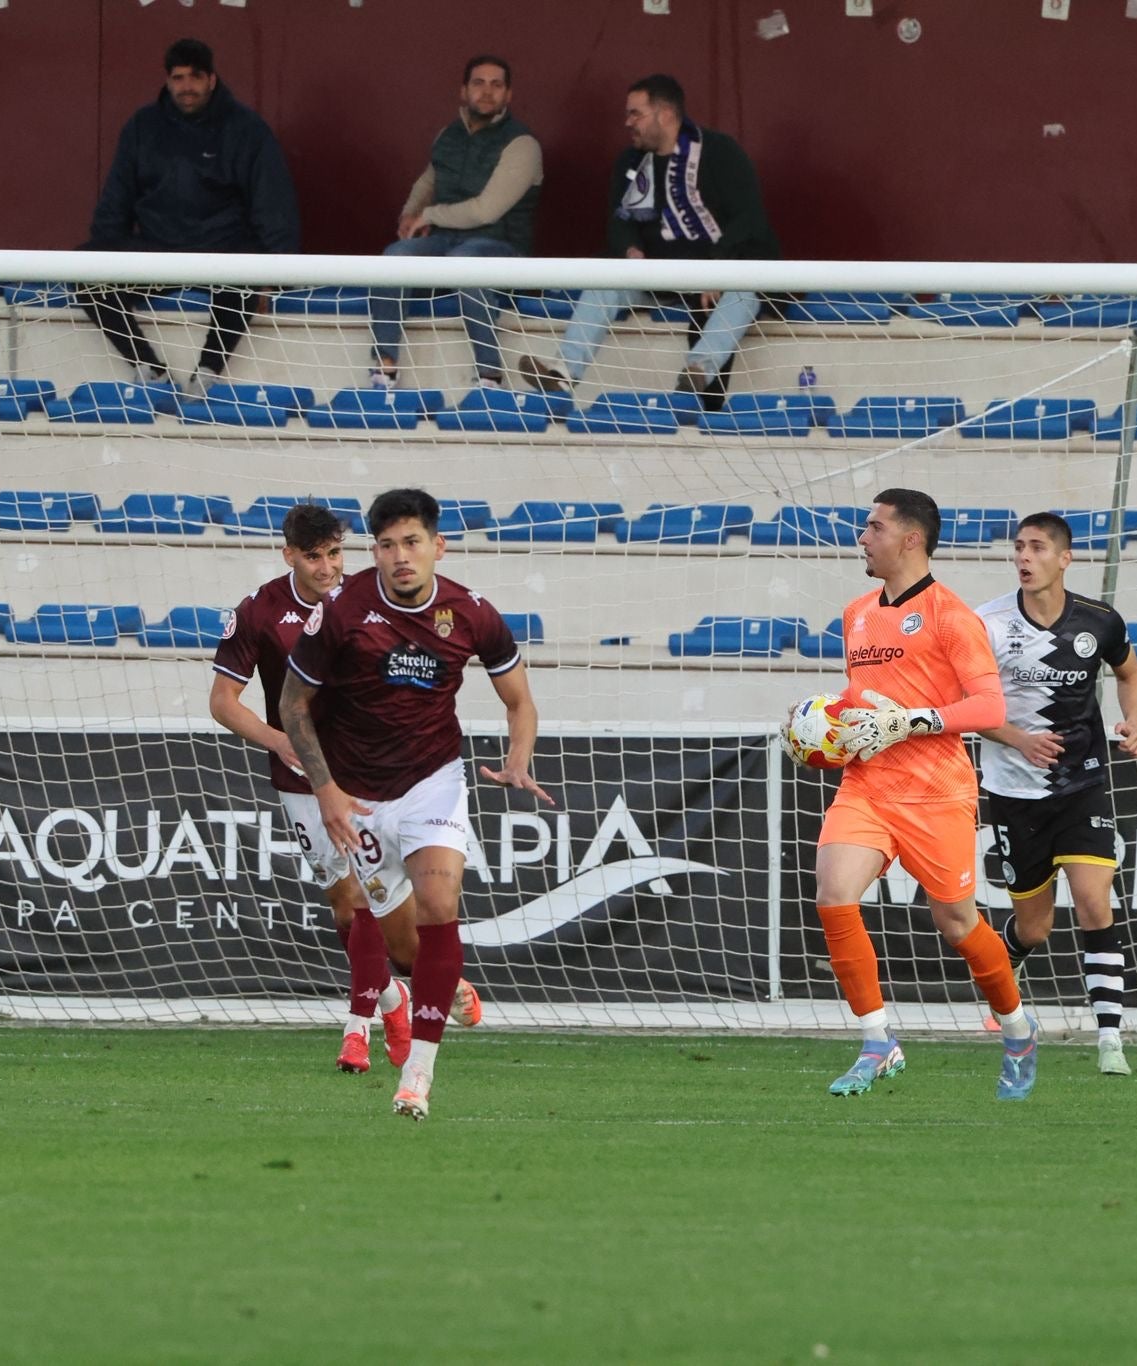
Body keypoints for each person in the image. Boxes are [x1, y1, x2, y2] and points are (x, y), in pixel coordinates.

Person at [282, 487, 553, 1120]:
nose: (400, 556)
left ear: (438, 546)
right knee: (405, 951)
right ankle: (442, 985)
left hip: (434, 781)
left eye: (412, 542)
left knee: (439, 905)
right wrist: (326, 790)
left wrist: (518, 757)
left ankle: (417, 1076)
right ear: (373, 551)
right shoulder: (342, 612)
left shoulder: (472, 613)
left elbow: (520, 700)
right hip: (359, 796)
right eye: (387, 545)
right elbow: (293, 706)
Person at [810, 489, 1036, 1099]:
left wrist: (913, 720)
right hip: (867, 784)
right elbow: (864, 698)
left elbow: (989, 707)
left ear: (911, 539)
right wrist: (824, 727)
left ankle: (1017, 1031)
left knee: (957, 922)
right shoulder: (856, 612)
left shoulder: (952, 617)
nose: (863, 538)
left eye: (874, 528)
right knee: (834, 895)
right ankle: (877, 1041)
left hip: (936, 791)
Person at [211, 504, 416, 1075]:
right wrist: (279, 740)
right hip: (300, 775)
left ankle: (357, 1029)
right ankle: (392, 999)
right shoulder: (259, 610)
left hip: (364, 769)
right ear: (289, 556)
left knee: (370, 893)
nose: (327, 568)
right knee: (345, 909)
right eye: (313, 557)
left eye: (334, 554)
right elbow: (223, 702)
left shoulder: (372, 600)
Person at [974, 513, 1137, 1077]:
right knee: (1035, 928)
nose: (1024, 557)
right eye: (1018, 547)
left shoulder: (1099, 621)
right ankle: (1008, 961)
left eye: (1037, 547)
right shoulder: (988, 624)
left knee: (1095, 902)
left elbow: (1129, 673)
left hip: (1082, 782)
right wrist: (1019, 739)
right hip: (1013, 791)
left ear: (1065, 558)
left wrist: (1134, 723)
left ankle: (1110, 1040)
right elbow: (969, 708)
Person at [519, 75, 778, 410]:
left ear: (665, 114)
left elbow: (749, 218)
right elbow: (619, 222)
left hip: (720, 276)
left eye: (636, 114)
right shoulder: (630, 162)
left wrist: (719, 268)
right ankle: (563, 373)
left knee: (745, 293)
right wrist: (632, 251)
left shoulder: (721, 151)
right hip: (656, 278)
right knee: (603, 284)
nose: (628, 122)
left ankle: (699, 370)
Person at [80, 38, 300, 397]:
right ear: (167, 81)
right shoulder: (142, 127)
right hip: (158, 252)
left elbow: (273, 203)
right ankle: (150, 369)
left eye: (195, 77)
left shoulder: (246, 129)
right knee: (84, 272)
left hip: (221, 252)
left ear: (211, 79)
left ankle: (208, 371)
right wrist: (105, 252)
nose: (186, 86)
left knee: (248, 272)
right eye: (178, 78)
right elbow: (115, 203)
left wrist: (277, 273)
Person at [367, 56, 542, 392]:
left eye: (496, 85)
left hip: (500, 246)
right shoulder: (448, 135)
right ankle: (384, 368)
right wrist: (409, 214)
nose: (487, 92)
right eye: (478, 83)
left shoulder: (523, 144)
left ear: (509, 95)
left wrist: (429, 216)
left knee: (466, 262)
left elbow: (486, 211)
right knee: (394, 257)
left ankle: (489, 375)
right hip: (446, 243)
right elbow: (428, 182)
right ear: (463, 91)